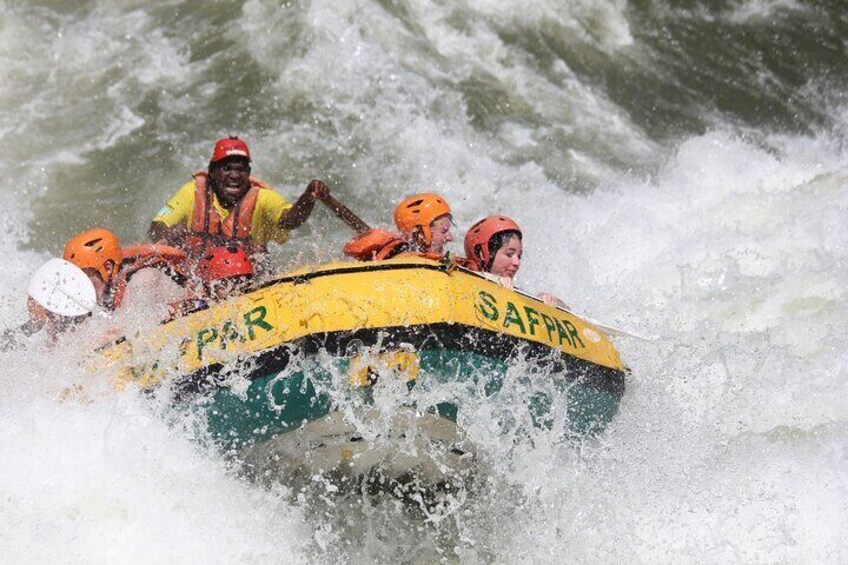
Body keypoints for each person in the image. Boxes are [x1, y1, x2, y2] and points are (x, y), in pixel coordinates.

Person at [148, 136, 329, 261]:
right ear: (212, 172)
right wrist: (169, 235)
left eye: (241, 169)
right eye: (227, 169)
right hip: (199, 280)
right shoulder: (192, 193)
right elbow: (157, 226)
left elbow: (290, 220)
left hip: (247, 280)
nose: (235, 176)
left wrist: (307, 199)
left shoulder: (262, 198)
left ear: (248, 173)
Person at [63, 227, 187, 313]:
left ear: (107, 269)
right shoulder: (105, 291)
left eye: (83, 278)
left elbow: (133, 331)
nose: (79, 287)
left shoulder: (143, 280)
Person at [464, 215, 568, 308]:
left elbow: (569, 310)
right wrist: (488, 278)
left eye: (519, 256)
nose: (516, 263)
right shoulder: (462, 275)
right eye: (509, 254)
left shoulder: (513, 290)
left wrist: (542, 300)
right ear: (483, 254)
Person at [343, 193, 457, 261]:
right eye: (444, 231)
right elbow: (365, 231)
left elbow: (363, 228)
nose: (450, 238)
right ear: (420, 234)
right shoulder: (398, 253)